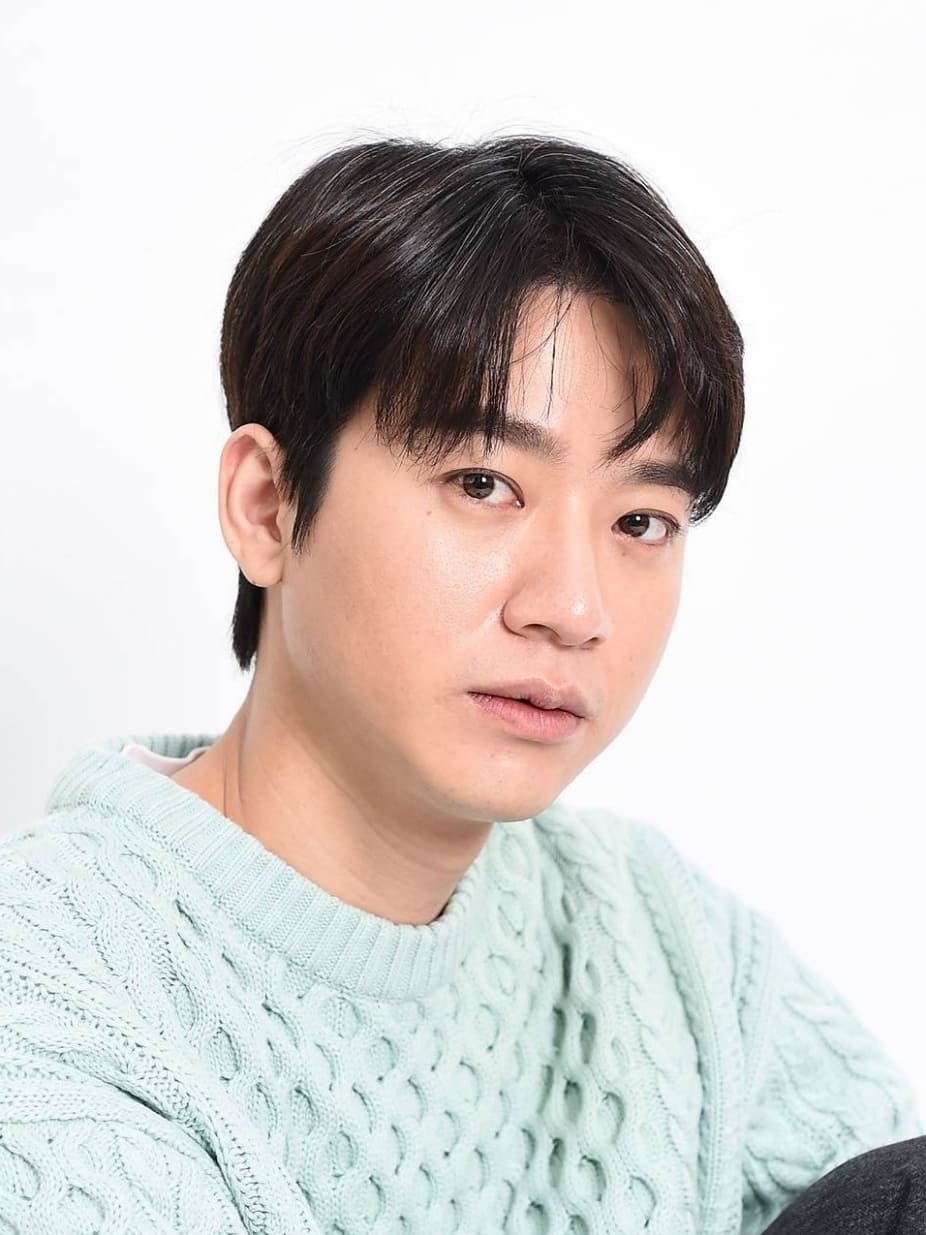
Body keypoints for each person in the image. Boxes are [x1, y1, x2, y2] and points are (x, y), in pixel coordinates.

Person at [0, 134, 921, 1235]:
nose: (572, 606)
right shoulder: (53, 990)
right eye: (483, 483)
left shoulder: (659, 936)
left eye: (640, 521)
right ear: (266, 506)